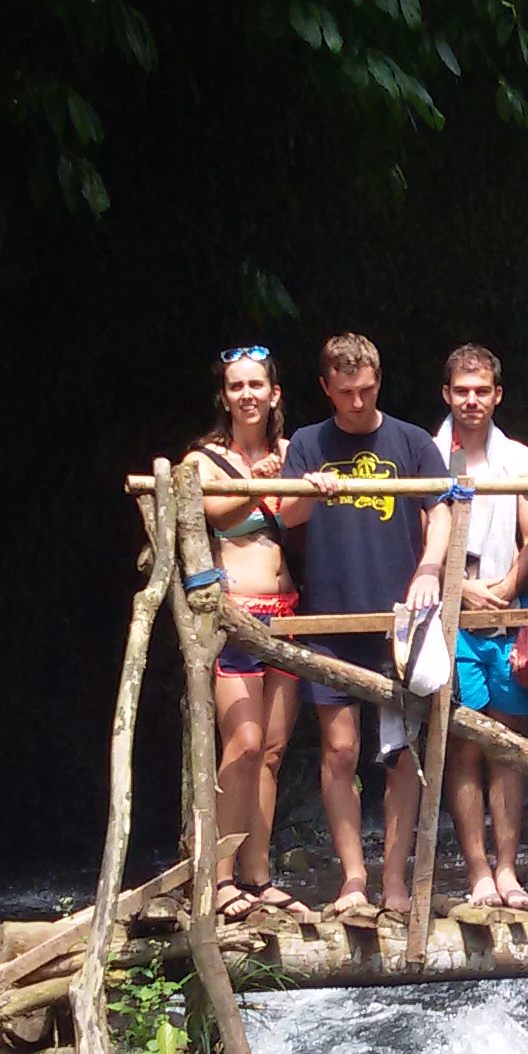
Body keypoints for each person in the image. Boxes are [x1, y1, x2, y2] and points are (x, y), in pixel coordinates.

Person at [285, 333, 454, 917]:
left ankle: (394, 882)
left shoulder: (411, 441)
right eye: (346, 391)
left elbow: (442, 510)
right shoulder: (308, 442)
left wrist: (430, 566)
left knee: (401, 752)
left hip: (399, 621)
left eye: (366, 389)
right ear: (327, 387)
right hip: (330, 614)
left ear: (379, 381)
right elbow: (287, 515)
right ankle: (353, 878)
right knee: (339, 750)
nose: (357, 402)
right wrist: (310, 489)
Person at [192, 345, 311, 925]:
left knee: (269, 751)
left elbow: (298, 517)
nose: (247, 395)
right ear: (225, 396)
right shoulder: (205, 459)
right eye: (236, 386)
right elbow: (214, 514)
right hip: (235, 614)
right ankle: (216, 877)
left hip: (287, 610)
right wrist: (257, 481)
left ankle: (257, 874)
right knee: (237, 746)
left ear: (274, 393)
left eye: (256, 385)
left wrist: (311, 487)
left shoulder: (293, 452)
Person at [435, 345, 528, 910]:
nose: (471, 400)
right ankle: (476, 871)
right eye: (462, 390)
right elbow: (419, 538)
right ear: (447, 394)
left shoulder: (519, 458)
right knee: (465, 745)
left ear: (497, 394)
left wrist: (503, 588)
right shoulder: (428, 454)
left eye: (482, 390)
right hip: (452, 617)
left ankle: (508, 870)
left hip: (507, 610)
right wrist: (464, 589)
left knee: (510, 746)